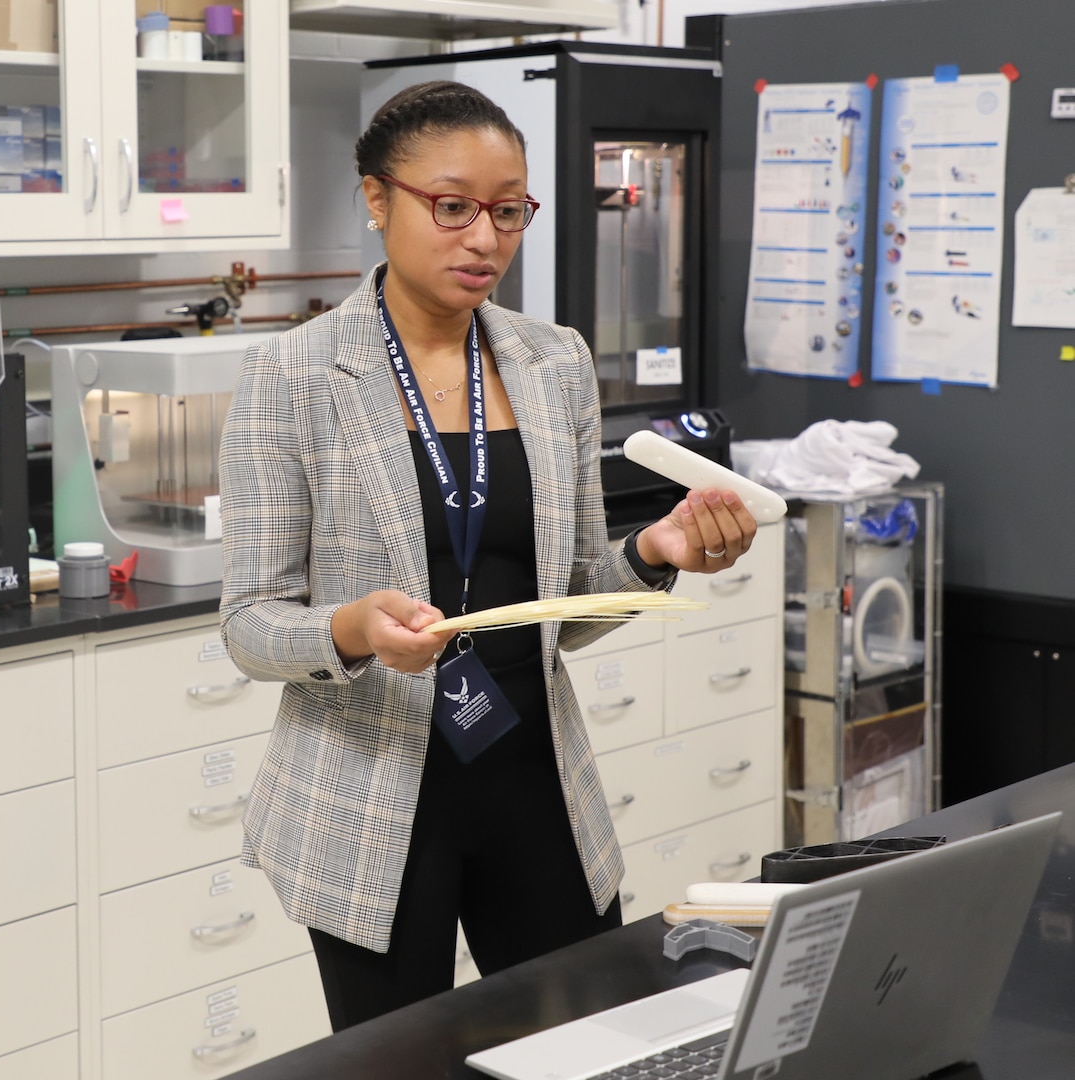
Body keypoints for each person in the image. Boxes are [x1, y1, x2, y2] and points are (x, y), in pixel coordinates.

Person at [218, 79, 758, 1032]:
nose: (485, 239)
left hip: (531, 773)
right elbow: (250, 624)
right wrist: (350, 630)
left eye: (509, 212)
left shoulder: (553, 364)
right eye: (454, 206)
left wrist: (653, 550)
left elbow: (568, 602)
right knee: (397, 1059)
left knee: (588, 1034)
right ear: (377, 198)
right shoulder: (290, 375)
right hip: (370, 792)